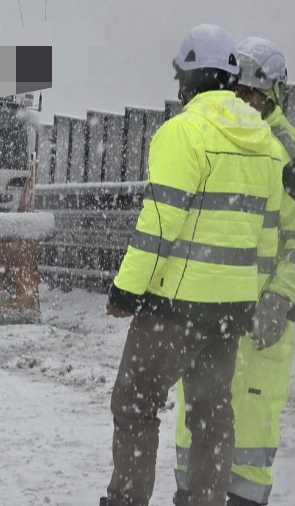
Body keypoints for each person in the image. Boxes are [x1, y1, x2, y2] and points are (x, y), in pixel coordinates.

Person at [101, 25, 287, 506]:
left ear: (189, 77)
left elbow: (159, 223)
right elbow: (267, 240)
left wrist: (126, 290)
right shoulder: (267, 144)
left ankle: (126, 501)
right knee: (213, 415)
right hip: (230, 313)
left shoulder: (184, 132)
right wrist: (245, 296)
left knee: (135, 403)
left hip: (174, 307)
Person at [172, 37, 295, 505]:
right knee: (197, 419)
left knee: (249, 429)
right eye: (236, 91)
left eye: (251, 94)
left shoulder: (286, 153)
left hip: (262, 320)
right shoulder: (215, 136)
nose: (242, 101)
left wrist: (279, 296)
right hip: (213, 312)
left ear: (272, 96)